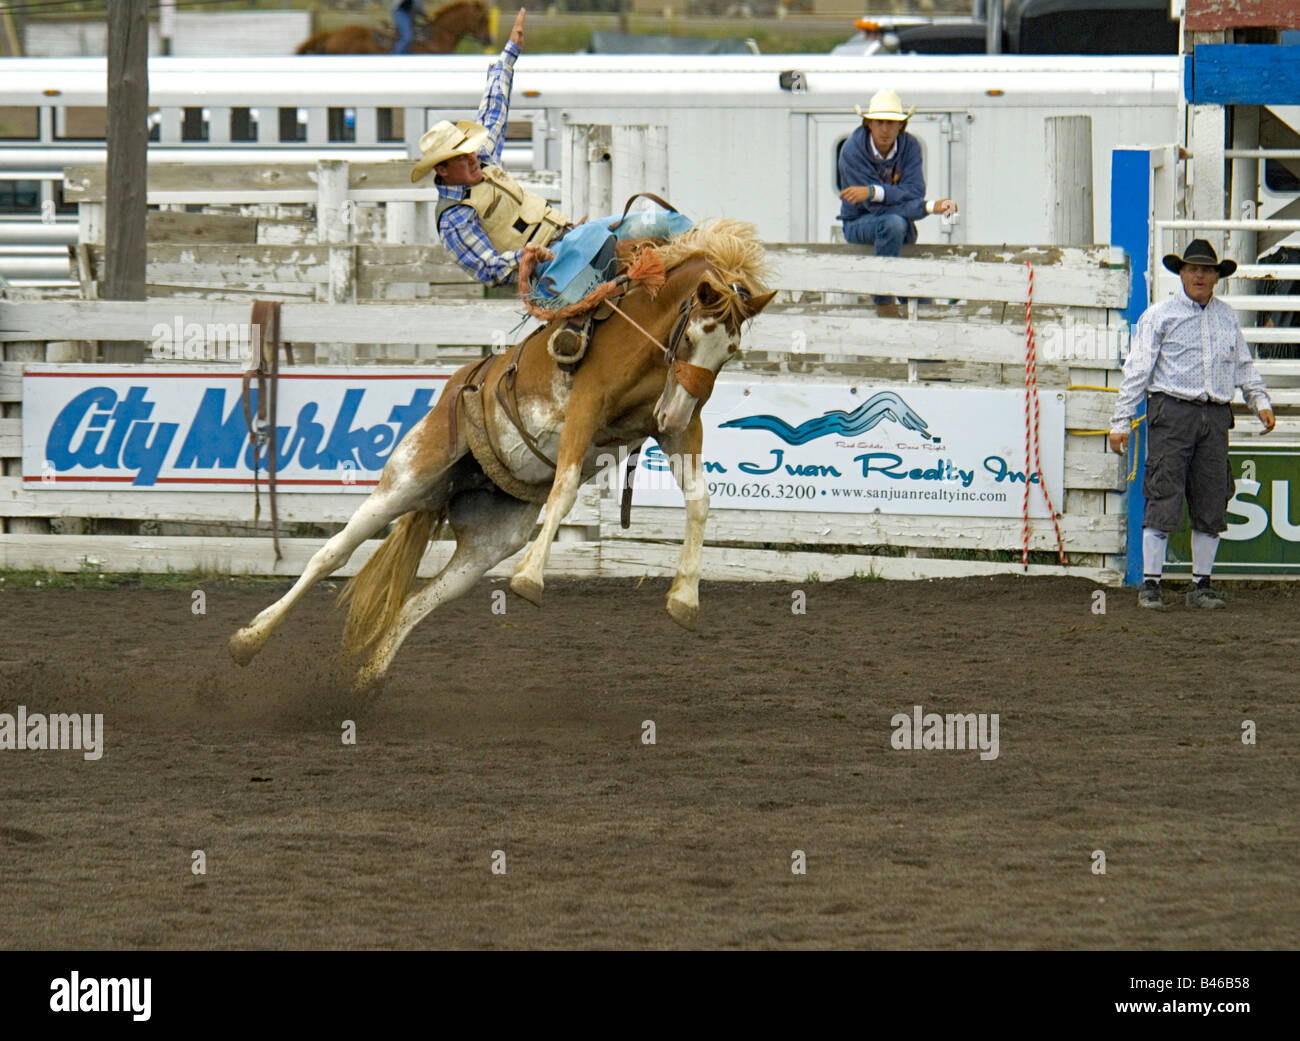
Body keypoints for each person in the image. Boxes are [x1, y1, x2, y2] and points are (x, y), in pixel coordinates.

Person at [411, 8, 689, 359]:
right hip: (548, 270)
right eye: (461, 157)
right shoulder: (454, 218)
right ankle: (575, 333)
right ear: (443, 170)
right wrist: (530, 254)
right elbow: (487, 267)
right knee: (598, 252)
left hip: (572, 237)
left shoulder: (482, 160)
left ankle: (709, 251)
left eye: (469, 150)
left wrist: (509, 53)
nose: (471, 158)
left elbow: (494, 107)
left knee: (657, 222)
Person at [1109, 239, 1276, 610]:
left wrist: (1259, 400)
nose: (1199, 275)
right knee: (1163, 491)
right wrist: (1121, 419)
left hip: (1215, 414)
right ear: (1181, 273)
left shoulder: (1227, 317)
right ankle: (1151, 583)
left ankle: (1201, 583)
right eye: (1193, 269)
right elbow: (1138, 370)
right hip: (1172, 411)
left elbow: (1243, 365)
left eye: (1206, 270)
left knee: (1211, 497)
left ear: (1217, 276)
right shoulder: (1160, 315)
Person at [838, 88, 958, 319]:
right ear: (869, 124)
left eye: (892, 123)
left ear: (901, 126)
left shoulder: (909, 146)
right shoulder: (852, 151)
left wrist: (873, 191)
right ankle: (883, 298)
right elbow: (880, 208)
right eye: (880, 122)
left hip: (900, 228)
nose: (885, 129)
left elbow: (914, 192)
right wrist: (927, 207)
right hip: (858, 223)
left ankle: (926, 351)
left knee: (899, 230)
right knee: (894, 223)